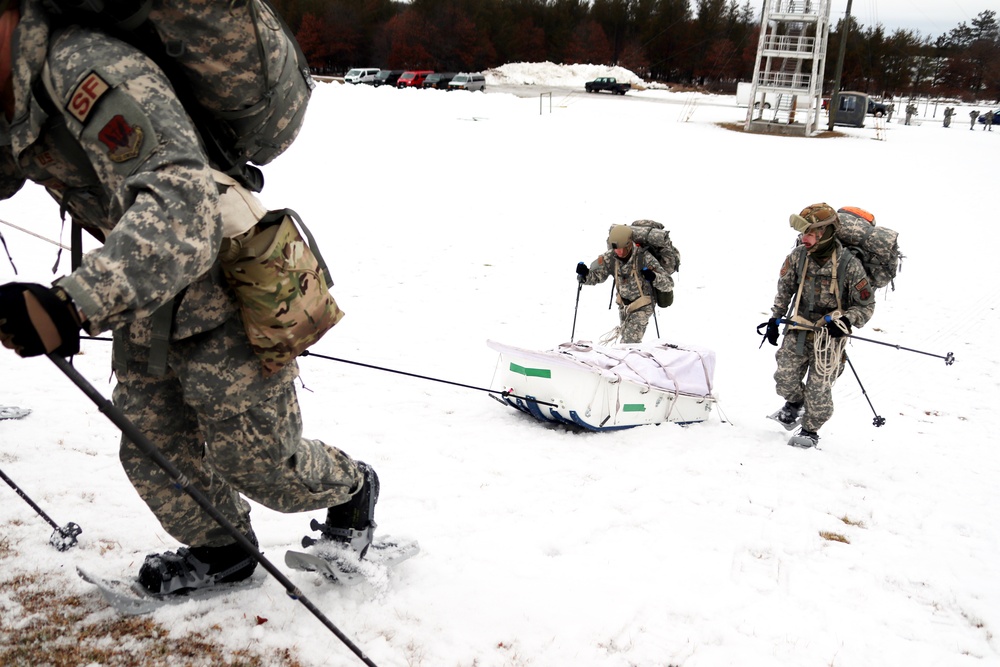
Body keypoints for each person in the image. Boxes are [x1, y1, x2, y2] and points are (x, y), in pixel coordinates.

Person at [0, 1, 377, 595]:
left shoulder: (83, 69)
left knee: (260, 463)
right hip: (143, 295)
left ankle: (355, 490)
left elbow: (186, 207)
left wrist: (71, 305)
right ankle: (223, 548)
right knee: (153, 448)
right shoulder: (12, 91)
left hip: (220, 283)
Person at [763, 204, 875, 448]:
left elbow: (865, 306)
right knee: (784, 379)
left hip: (830, 337)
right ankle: (794, 403)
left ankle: (810, 429)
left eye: (811, 234)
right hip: (799, 327)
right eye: (804, 233)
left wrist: (846, 321)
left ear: (827, 233)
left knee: (818, 388)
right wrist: (775, 318)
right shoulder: (798, 256)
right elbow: (785, 289)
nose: (805, 239)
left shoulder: (849, 264)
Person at [576, 224, 673, 344]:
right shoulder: (610, 257)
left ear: (629, 244)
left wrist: (653, 277)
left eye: (622, 248)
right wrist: (585, 275)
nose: (619, 252)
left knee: (627, 344)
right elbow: (597, 277)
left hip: (643, 306)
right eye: (616, 248)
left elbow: (668, 284)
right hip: (624, 307)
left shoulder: (644, 258)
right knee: (628, 345)